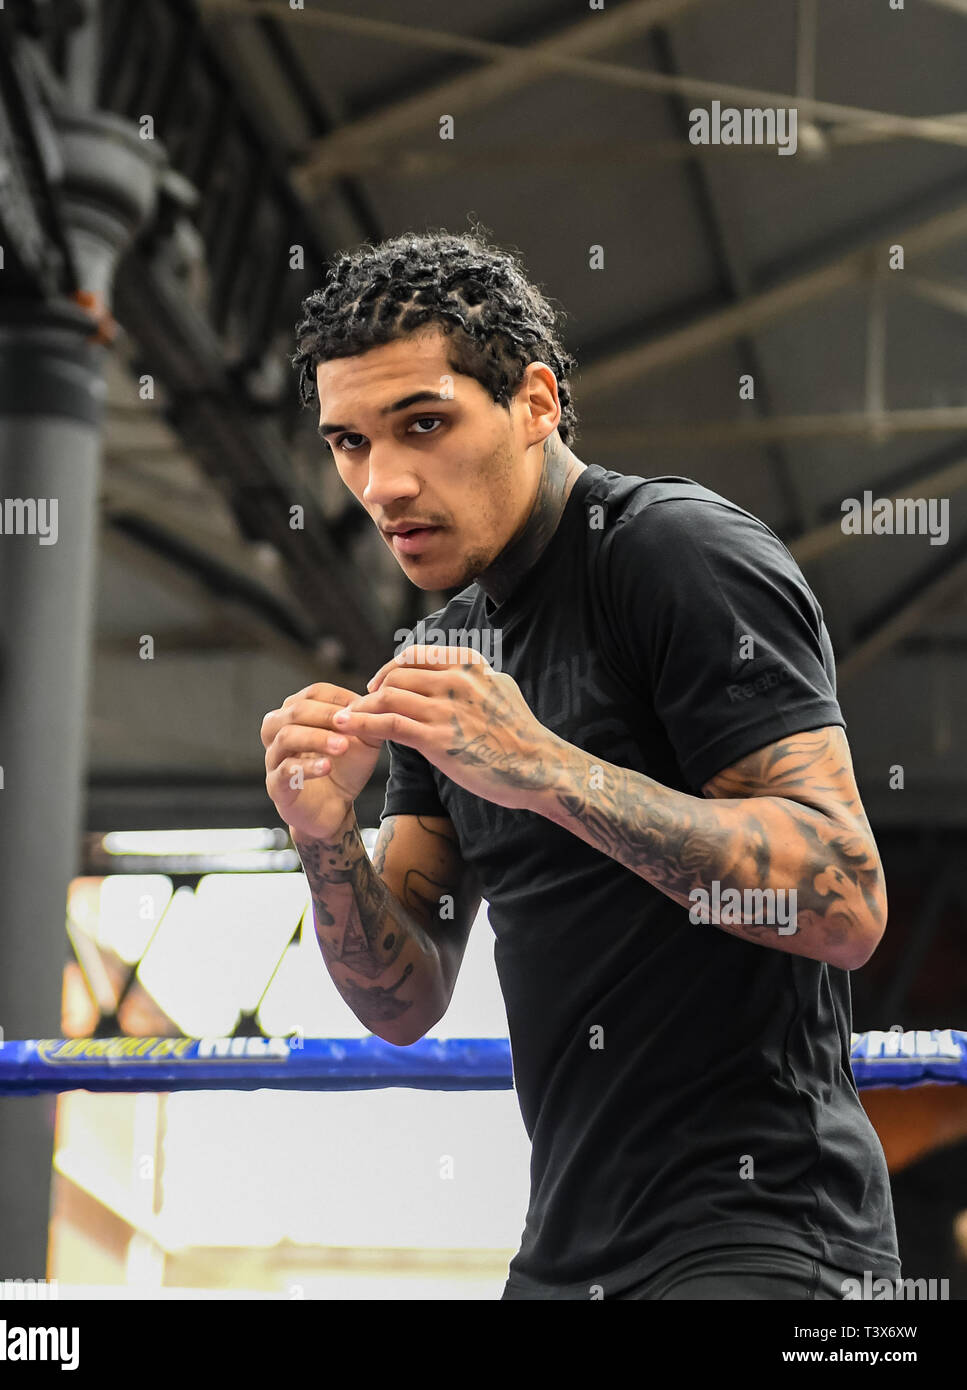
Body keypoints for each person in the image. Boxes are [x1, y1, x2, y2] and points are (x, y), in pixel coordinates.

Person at [260, 228, 901, 1300]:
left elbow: (845, 896)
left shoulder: (676, 554)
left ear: (536, 403)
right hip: (565, 1252)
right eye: (350, 443)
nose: (385, 482)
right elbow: (403, 999)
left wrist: (546, 770)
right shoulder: (440, 656)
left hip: (772, 1239)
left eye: (423, 424)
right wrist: (325, 838)